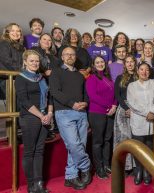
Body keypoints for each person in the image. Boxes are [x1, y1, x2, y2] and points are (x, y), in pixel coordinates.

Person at [49, 47, 91, 190]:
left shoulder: (80, 75)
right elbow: (55, 92)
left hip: (81, 112)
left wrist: (85, 102)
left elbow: (85, 92)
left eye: (72, 54)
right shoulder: (56, 72)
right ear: (62, 57)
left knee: (80, 145)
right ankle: (86, 167)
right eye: (66, 54)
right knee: (74, 145)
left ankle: (70, 176)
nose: (70, 56)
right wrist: (72, 104)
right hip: (64, 113)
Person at [15, 50, 52, 193]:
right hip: (30, 117)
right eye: (32, 61)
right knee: (29, 152)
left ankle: (39, 183)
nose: (35, 63)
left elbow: (50, 98)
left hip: (44, 116)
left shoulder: (42, 78)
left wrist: (49, 113)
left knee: (39, 151)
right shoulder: (21, 78)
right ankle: (31, 186)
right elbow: (24, 101)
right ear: (25, 62)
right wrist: (41, 116)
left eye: (37, 61)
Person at [126, 62, 154, 185]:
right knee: (138, 149)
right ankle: (139, 170)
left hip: (153, 121)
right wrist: (147, 113)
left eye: (147, 69)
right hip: (138, 121)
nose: (144, 72)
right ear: (137, 71)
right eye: (141, 69)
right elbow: (132, 103)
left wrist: (152, 112)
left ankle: (147, 171)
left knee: (150, 149)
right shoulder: (131, 86)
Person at [86, 55, 117, 179]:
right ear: (93, 65)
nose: (100, 64)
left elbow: (115, 95)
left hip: (110, 112)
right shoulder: (91, 78)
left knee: (107, 139)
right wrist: (109, 106)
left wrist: (114, 105)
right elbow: (93, 97)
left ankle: (106, 165)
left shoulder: (108, 78)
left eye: (102, 62)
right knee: (98, 141)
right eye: (97, 62)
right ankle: (99, 168)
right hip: (97, 113)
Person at [113, 55, 138, 173]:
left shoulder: (139, 77)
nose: (129, 64)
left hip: (137, 111)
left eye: (131, 61)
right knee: (123, 139)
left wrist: (134, 109)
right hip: (123, 111)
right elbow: (117, 95)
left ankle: (135, 166)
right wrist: (127, 108)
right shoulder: (120, 77)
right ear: (124, 64)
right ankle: (124, 167)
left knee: (135, 139)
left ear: (135, 63)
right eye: (127, 62)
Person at [0, 23, 25, 99]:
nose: (16, 33)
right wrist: (24, 72)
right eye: (12, 31)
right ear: (7, 32)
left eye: (18, 31)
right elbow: (7, 62)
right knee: (13, 105)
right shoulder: (4, 44)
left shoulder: (21, 47)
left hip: (18, 78)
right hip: (7, 79)